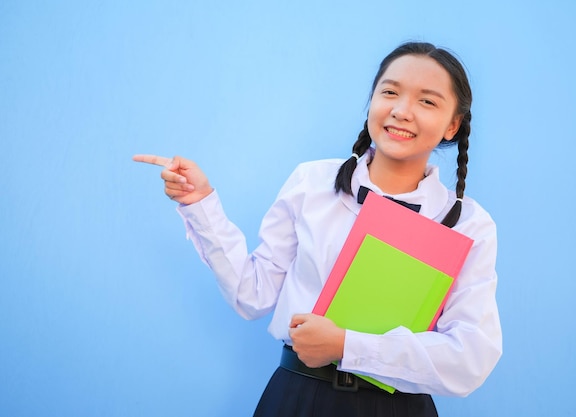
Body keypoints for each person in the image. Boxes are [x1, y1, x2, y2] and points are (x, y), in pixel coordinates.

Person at [133, 41, 502, 417]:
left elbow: (470, 357)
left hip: (399, 408)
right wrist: (200, 203)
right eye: (389, 92)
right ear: (372, 100)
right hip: (298, 396)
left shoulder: (469, 225)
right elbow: (252, 295)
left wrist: (346, 345)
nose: (401, 111)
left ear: (452, 124)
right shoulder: (311, 182)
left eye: (427, 102)